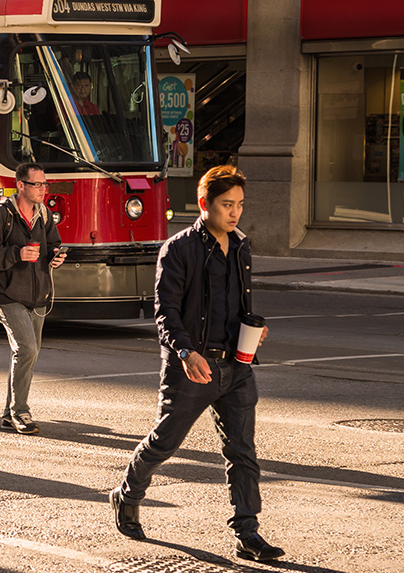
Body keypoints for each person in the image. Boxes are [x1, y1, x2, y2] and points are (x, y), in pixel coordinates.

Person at [109, 165, 285, 563]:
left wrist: (253, 330)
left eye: (239, 204)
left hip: (236, 368)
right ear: (204, 204)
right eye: (227, 204)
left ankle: (248, 532)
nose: (235, 212)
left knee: (242, 452)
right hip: (191, 366)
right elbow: (165, 312)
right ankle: (127, 494)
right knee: (164, 442)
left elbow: (238, 304)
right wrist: (187, 354)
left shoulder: (241, 246)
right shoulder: (179, 248)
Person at [0, 162, 66, 435]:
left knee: (26, 354)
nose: (42, 189)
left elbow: (53, 244)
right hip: (8, 295)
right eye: (37, 184)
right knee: (26, 350)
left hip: (38, 296)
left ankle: (8, 413)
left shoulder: (44, 214)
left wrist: (56, 256)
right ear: (21, 185)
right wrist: (17, 254)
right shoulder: (1, 214)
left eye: (45, 184)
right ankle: (20, 412)